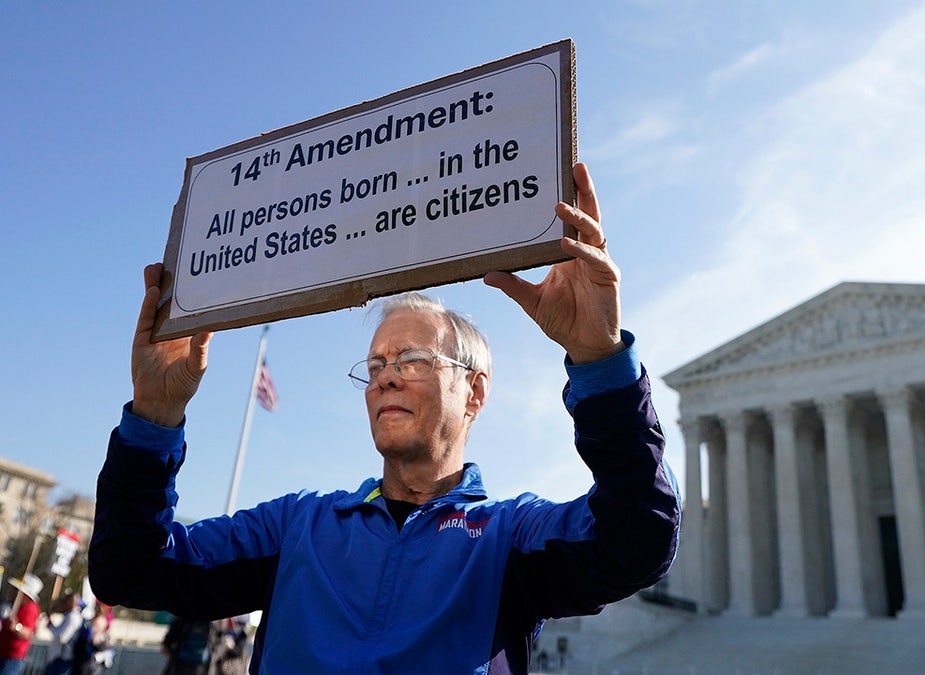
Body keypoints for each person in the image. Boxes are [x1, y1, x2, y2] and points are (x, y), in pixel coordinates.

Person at [89, 163, 680, 673]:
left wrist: (601, 361)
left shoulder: (510, 537)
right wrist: (156, 415)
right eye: (374, 366)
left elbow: (640, 539)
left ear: (474, 392)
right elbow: (131, 571)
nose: (387, 377)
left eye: (413, 359)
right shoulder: (297, 527)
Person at [0, 575, 42, 675]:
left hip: (11, 657)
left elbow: (28, 632)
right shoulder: (12, 605)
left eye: (15, 589)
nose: (11, 590)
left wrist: (16, 627)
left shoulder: (30, 608)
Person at [45, 592, 85, 675]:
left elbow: (62, 638)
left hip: (62, 658)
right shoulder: (70, 616)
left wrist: (51, 627)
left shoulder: (72, 617)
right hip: (59, 658)